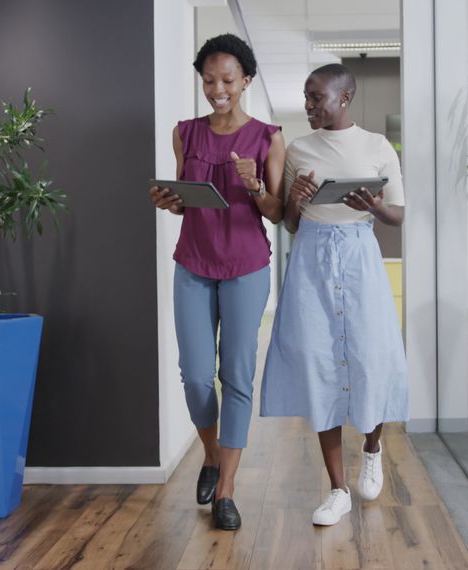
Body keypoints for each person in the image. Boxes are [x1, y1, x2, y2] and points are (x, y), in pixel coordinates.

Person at [260, 63, 408, 527]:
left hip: (360, 255)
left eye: (315, 97)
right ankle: (337, 489)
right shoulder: (300, 149)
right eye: (305, 97)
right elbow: (286, 221)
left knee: (371, 357)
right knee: (318, 363)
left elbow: (398, 216)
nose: (308, 106)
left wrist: (375, 205)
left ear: (343, 99)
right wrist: (297, 199)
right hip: (311, 259)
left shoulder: (377, 147)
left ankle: (371, 446)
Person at [148, 33, 285, 531]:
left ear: (246, 80)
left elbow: (279, 211)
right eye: (209, 80)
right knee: (194, 374)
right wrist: (169, 200)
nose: (217, 88)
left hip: (247, 266)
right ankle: (210, 454)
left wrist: (253, 186)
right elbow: (186, 196)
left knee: (237, 375)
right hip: (194, 263)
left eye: (227, 79)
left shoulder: (269, 137)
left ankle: (226, 489)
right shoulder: (185, 132)